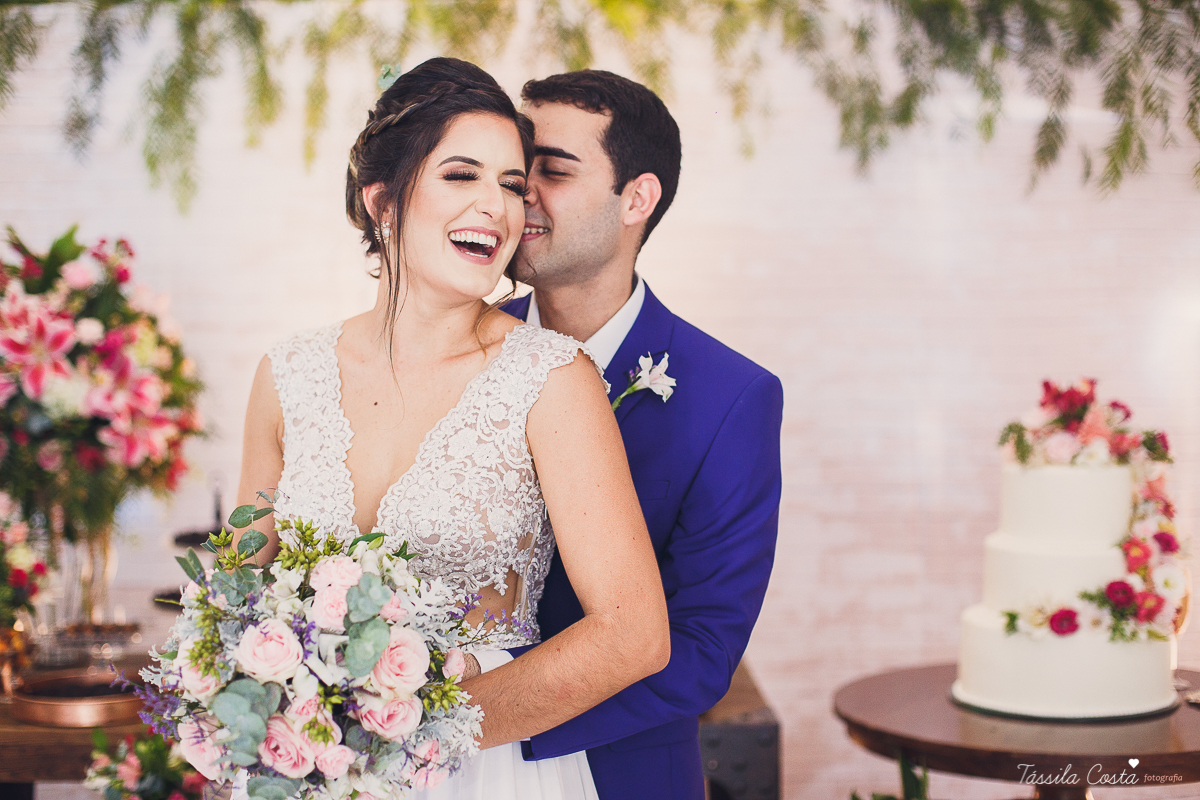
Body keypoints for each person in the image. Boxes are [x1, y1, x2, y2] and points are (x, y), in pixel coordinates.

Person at [235, 57, 670, 799]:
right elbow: (241, 587)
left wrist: (412, 725)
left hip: (480, 766)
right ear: (383, 201)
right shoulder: (287, 372)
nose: (498, 209)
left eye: (510, 185)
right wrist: (237, 699)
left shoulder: (550, 379)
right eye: (461, 176)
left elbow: (633, 635)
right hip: (306, 767)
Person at [459, 70, 784, 799]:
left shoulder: (732, 398)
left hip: (617, 776)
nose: (519, 194)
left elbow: (702, 650)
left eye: (553, 170)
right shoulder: (451, 346)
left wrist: (480, 721)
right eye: (517, 169)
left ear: (637, 198)